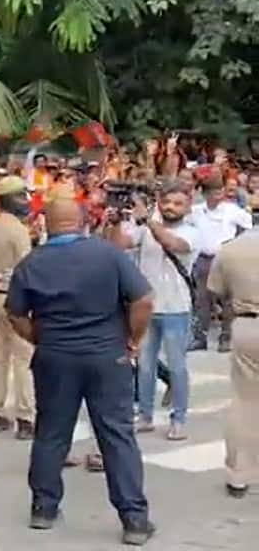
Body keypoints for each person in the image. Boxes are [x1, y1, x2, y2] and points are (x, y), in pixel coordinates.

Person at [5, 199, 157, 545]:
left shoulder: (32, 263)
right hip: (107, 354)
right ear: (84, 222)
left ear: (46, 224)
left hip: (55, 356)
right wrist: (132, 341)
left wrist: (42, 339)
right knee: (117, 435)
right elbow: (144, 300)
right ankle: (134, 519)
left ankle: (43, 507)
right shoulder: (108, 255)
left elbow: (15, 314)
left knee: (51, 433)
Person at [110, 182, 200, 441]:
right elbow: (119, 245)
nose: (171, 207)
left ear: (188, 207)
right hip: (147, 307)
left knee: (176, 367)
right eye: (167, 202)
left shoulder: (191, 232)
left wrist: (148, 219)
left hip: (176, 308)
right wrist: (115, 221)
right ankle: (146, 416)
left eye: (178, 203)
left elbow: (172, 244)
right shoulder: (145, 230)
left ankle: (178, 418)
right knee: (145, 366)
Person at [0, 175, 36, 439]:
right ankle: (26, 417)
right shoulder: (18, 230)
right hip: (15, 297)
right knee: (24, 358)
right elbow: (27, 269)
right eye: (22, 196)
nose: (26, 201)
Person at [205, 211, 259, 498]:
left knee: (244, 400)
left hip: (247, 323)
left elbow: (215, 289)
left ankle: (239, 474)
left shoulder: (230, 249)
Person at [190, 174, 252, 352]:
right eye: (212, 192)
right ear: (205, 193)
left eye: (219, 192)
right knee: (202, 300)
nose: (217, 196)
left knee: (227, 301)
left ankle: (226, 338)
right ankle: (200, 337)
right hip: (203, 258)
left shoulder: (232, 210)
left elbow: (248, 226)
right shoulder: (196, 211)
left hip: (224, 258)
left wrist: (235, 246)